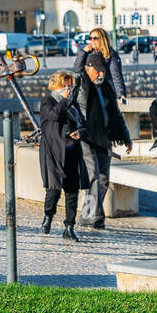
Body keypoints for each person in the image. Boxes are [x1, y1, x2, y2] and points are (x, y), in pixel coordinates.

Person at [76, 52, 131, 228]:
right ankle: (97, 218)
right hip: (87, 138)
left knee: (103, 179)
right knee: (93, 177)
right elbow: (71, 109)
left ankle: (86, 215)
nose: (102, 74)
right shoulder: (81, 84)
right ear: (88, 68)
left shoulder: (106, 86)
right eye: (98, 71)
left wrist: (125, 136)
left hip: (104, 138)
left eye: (103, 71)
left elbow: (115, 113)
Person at [38, 70, 85, 240]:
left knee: (72, 191)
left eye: (70, 86)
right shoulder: (47, 102)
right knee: (54, 190)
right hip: (53, 153)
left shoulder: (72, 104)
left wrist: (80, 132)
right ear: (56, 85)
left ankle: (69, 227)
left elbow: (83, 124)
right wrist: (65, 100)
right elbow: (54, 115)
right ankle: (48, 217)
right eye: (64, 86)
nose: (68, 89)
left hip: (72, 151)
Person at [73, 26, 127, 104]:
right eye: (90, 38)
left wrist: (121, 94)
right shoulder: (87, 53)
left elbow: (116, 76)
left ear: (102, 39)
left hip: (105, 92)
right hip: (88, 91)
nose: (92, 41)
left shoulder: (111, 54)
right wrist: (83, 52)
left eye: (95, 38)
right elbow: (77, 69)